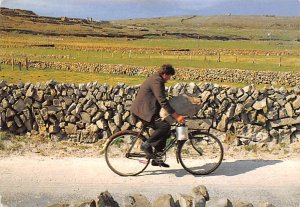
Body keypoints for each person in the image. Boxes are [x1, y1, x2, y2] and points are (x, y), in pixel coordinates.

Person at [130, 64, 185, 167]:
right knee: (165, 127)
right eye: (169, 76)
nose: (169, 78)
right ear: (164, 74)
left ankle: (157, 158)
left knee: (165, 131)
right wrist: (176, 116)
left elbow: (161, 98)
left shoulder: (156, 79)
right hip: (144, 112)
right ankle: (146, 145)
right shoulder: (157, 81)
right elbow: (162, 101)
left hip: (147, 110)